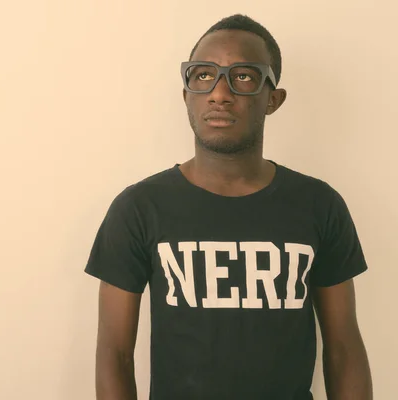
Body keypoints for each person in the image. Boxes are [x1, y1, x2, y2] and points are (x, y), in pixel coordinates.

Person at [84, 14, 373, 400]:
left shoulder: (320, 206)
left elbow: (344, 351)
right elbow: (114, 355)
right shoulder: (139, 208)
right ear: (186, 93)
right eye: (203, 75)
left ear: (273, 98)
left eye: (243, 76)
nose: (219, 93)